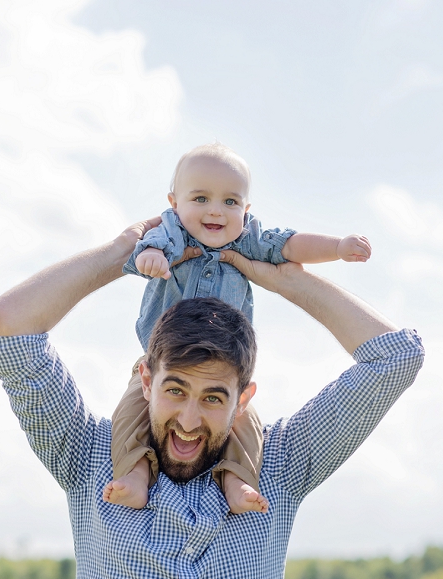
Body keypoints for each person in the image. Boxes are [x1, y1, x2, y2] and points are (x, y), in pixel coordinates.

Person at [0, 218, 423, 579]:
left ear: (244, 399)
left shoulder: (279, 465)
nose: (189, 421)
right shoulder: (88, 457)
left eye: (214, 397)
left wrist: (281, 275)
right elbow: (8, 325)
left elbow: (395, 357)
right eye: (175, 390)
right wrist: (120, 254)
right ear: (146, 381)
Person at [105, 143, 372, 514]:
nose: (216, 210)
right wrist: (149, 257)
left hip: (227, 367)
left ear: (246, 210)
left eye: (231, 202)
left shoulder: (249, 240)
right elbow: (146, 249)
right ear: (174, 203)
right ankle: (135, 476)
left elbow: (291, 245)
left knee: (244, 423)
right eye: (200, 198)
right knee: (131, 412)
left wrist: (338, 247)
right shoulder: (172, 233)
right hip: (161, 360)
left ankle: (237, 481)